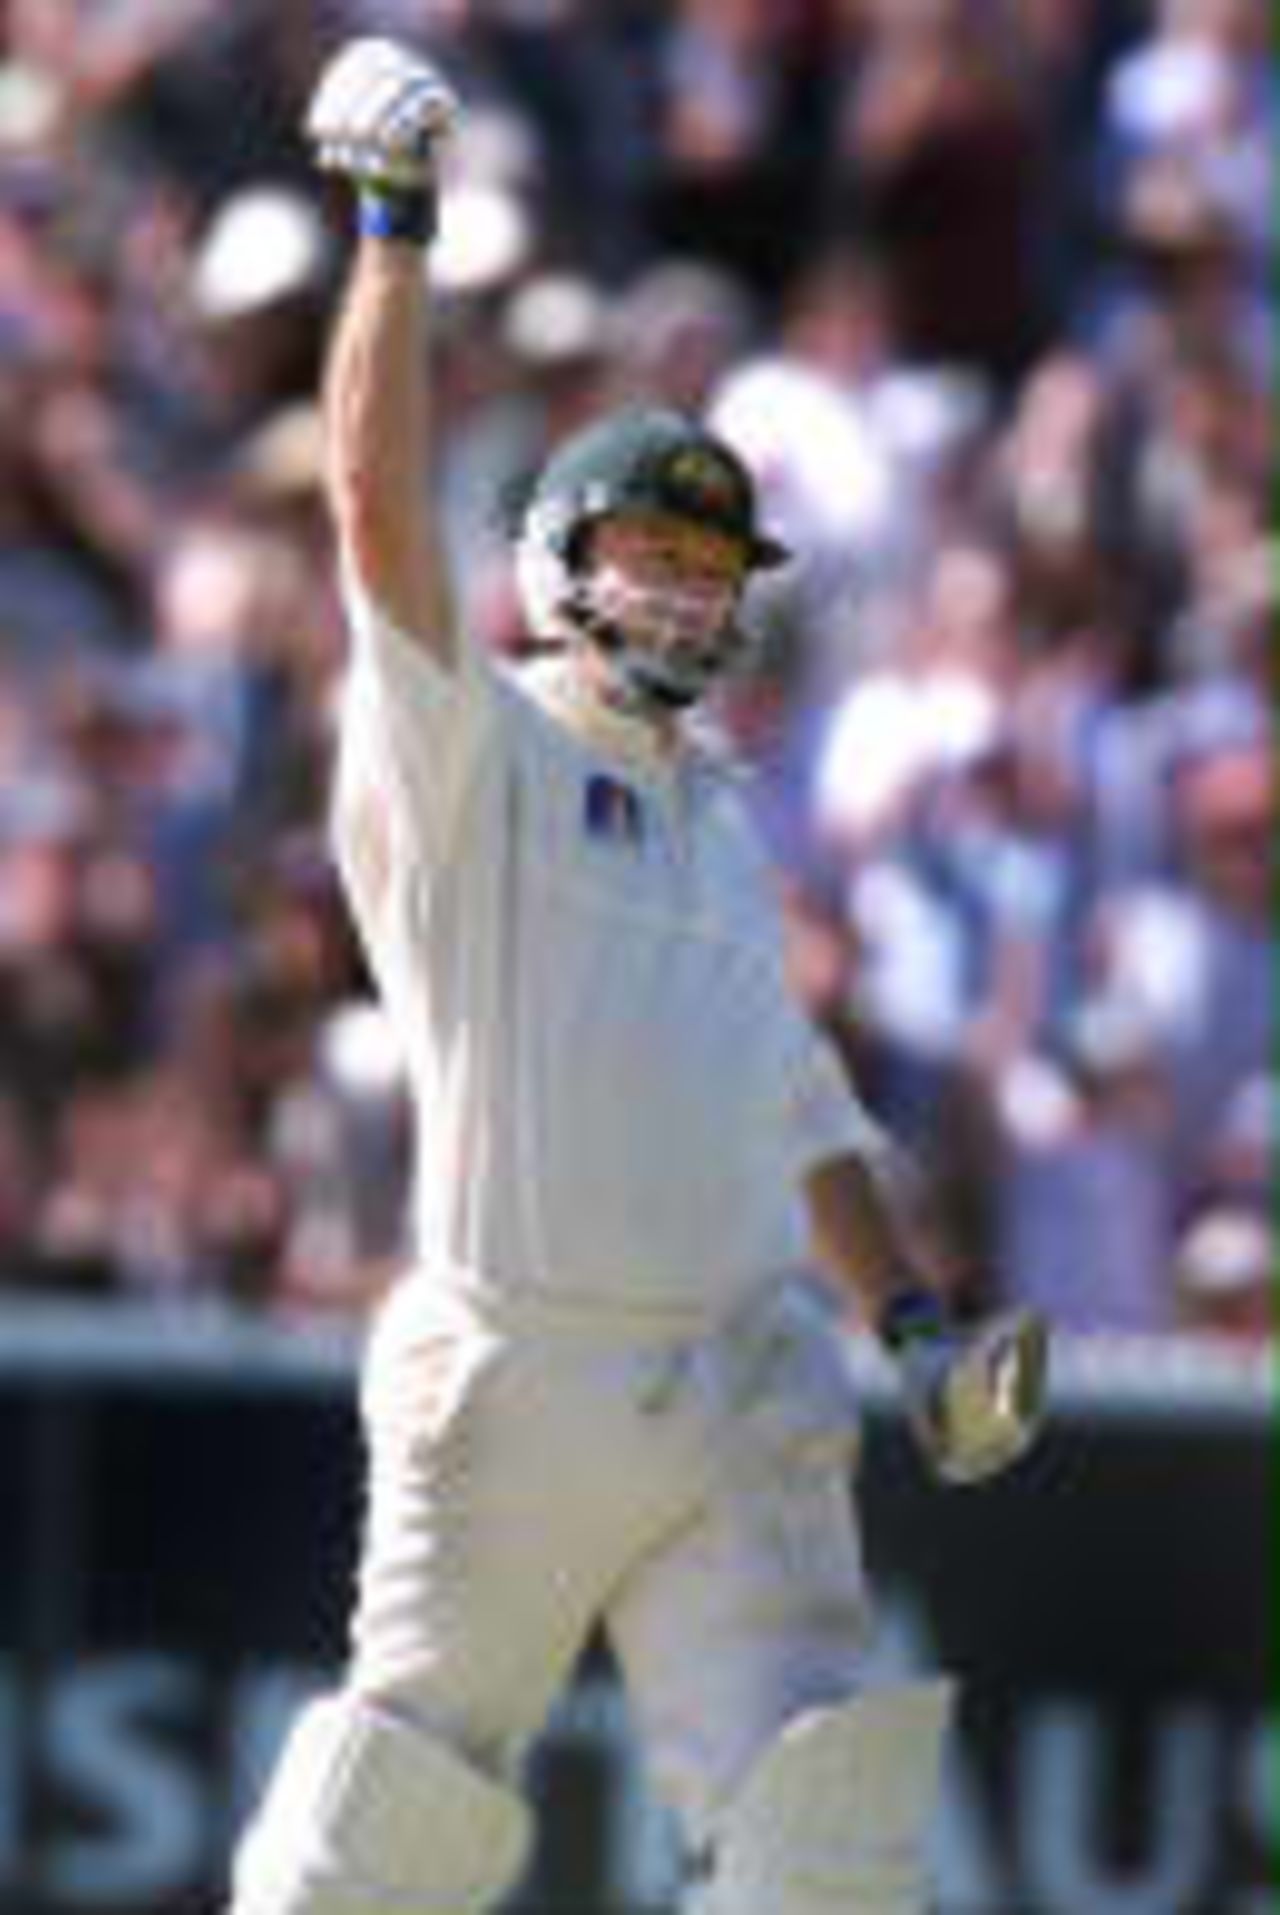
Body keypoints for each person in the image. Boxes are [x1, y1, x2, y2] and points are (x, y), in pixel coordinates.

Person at [225, 37, 1048, 1915]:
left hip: (740, 1376)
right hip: (515, 1376)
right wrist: (394, 238)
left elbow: (799, 1111)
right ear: (555, 563)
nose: (680, 591)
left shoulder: (724, 824)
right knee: (377, 1841)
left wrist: (915, 1330)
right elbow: (372, 519)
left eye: (707, 564)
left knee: (825, 1845)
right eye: (647, 552)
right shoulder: (476, 754)